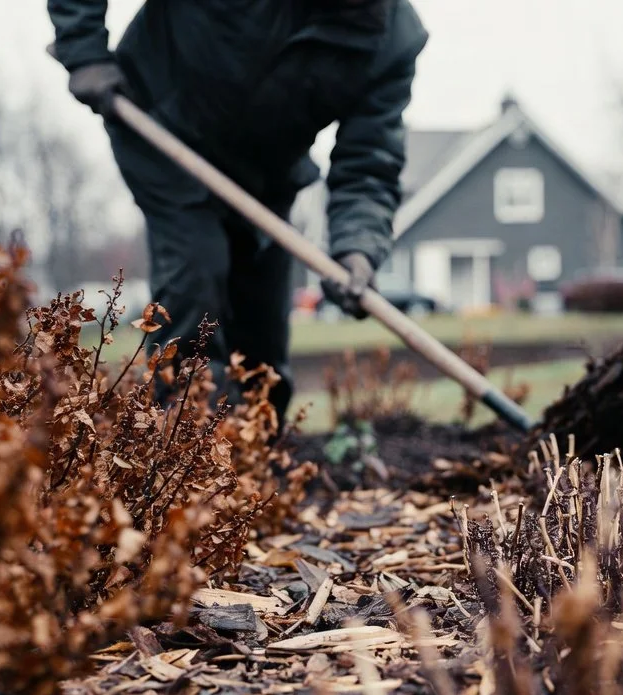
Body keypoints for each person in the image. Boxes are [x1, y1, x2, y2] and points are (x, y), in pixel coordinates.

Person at [46, 0, 428, 422]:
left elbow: (369, 160)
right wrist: (83, 50)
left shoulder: (390, 39)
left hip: (265, 178)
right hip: (163, 129)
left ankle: (260, 464)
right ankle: (185, 458)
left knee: (263, 344)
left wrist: (358, 246)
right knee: (196, 283)